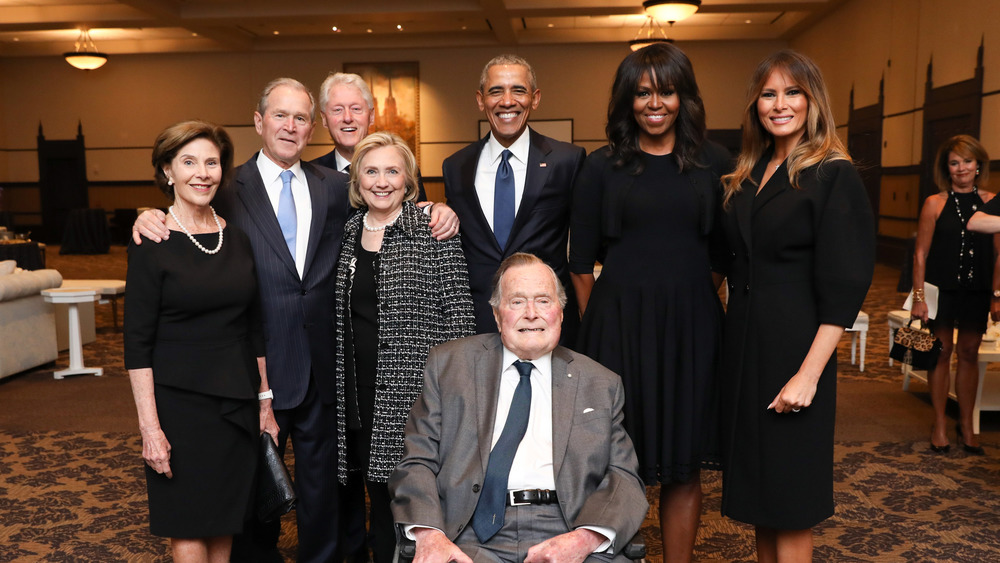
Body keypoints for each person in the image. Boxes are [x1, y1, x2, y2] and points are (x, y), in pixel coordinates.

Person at [569, 43, 730, 562]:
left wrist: (688, 299)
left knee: (684, 465)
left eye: (666, 90)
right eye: (642, 92)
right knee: (615, 462)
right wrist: (600, 329)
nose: (654, 102)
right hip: (616, 329)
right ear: (627, 100)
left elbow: (723, 254)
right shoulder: (601, 166)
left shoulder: (715, 162)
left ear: (684, 96)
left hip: (692, 329)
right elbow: (579, 262)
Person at [389, 252, 648, 563]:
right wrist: (430, 535)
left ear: (560, 313)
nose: (531, 313)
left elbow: (624, 477)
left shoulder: (599, 382)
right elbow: (416, 462)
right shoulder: (449, 366)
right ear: (498, 315)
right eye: (516, 302)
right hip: (469, 534)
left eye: (543, 301)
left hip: (568, 527)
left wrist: (584, 538)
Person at [718, 50, 875, 562]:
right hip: (746, 349)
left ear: (813, 101)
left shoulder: (832, 173)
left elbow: (845, 288)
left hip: (796, 350)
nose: (779, 104)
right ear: (755, 104)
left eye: (792, 93)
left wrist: (808, 375)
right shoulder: (752, 170)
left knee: (790, 501)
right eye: (768, 94)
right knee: (763, 502)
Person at [124, 120, 271, 563]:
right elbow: (137, 343)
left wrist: (264, 402)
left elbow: (254, 328)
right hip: (179, 407)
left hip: (236, 405)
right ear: (167, 171)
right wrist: (150, 429)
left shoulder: (238, 239)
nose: (202, 173)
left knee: (224, 519)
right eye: (188, 162)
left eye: (211, 162)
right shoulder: (152, 241)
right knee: (188, 520)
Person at [332, 132, 476, 563]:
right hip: (358, 395)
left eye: (392, 171)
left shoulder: (433, 228)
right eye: (370, 171)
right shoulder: (349, 230)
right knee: (374, 502)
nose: (381, 181)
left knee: (414, 506)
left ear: (409, 179)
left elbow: (460, 320)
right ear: (356, 181)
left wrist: (454, 399)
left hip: (416, 396)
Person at [442, 54, 586, 346]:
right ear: (481, 100)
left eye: (518, 90)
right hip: (476, 322)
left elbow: (585, 244)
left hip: (544, 321)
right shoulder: (455, 166)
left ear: (535, 98)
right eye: (496, 91)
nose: (507, 101)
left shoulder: (567, 160)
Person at [915, 135, 998, 455]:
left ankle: (966, 424)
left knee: (969, 353)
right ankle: (938, 423)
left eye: (967, 161)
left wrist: (997, 295)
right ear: (946, 168)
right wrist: (919, 296)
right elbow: (920, 254)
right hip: (941, 290)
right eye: (954, 162)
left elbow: (999, 253)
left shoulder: (993, 202)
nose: (961, 167)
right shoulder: (934, 203)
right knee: (940, 352)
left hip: (976, 291)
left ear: (978, 165)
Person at [312, 72, 427, 202]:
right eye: (338, 110)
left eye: (356, 109)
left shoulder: (405, 169)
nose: (347, 118)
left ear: (371, 116)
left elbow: (421, 214)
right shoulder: (311, 175)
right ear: (324, 119)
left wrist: (436, 208)